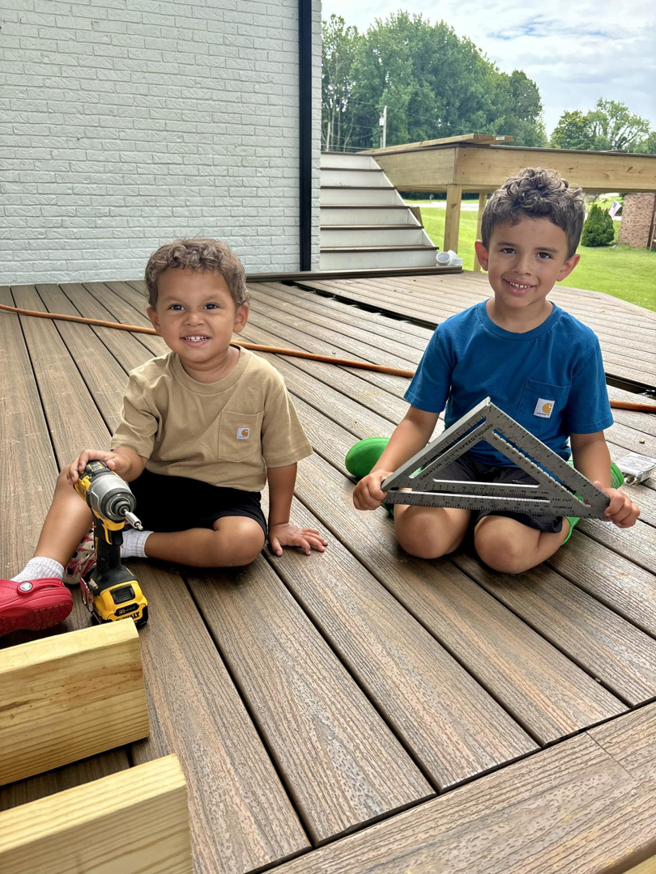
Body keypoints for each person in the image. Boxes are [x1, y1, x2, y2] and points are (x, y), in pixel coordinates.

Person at [1, 239, 326, 635]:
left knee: (244, 543)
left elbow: (281, 457)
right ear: (155, 320)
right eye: (177, 307)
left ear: (239, 316)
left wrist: (280, 523)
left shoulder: (263, 380)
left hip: (225, 498)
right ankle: (39, 577)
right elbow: (133, 452)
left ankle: (129, 544)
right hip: (153, 488)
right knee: (79, 477)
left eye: (210, 306)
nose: (193, 319)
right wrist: (116, 462)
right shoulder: (148, 380)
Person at [352, 168, 640, 574]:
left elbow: (589, 440)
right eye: (508, 249)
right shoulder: (453, 334)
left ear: (566, 265)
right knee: (420, 539)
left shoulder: (579, 344)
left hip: (533, 472)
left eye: (543, 255)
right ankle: (406, 482)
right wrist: (385, 473)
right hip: (458, 460)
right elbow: (419, 420)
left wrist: (598, 491)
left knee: (503, 552)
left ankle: (565, 515)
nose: (523, 267)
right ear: (484, 253)